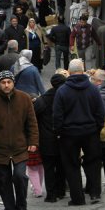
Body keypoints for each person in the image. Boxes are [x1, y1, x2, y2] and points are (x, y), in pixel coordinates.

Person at [53, 59, 105, 205]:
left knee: (71, 165)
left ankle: (77, 198)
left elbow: (57, 115)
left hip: (69, 134)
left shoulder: (62, 91)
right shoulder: (93, 89)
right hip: (90, 132)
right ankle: (95, 193)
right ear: (83, 71)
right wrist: (97, 128)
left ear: (68, 72)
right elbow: (100, 113)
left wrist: (59, 131)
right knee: (93, 162)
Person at [0, 70, 39, 210]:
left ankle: (22, 206)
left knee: (19, 176)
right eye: (3, 82)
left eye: (8, 82)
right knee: (3, 180)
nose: (6, 85)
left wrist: (33, 142)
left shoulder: (24, 99)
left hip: (20, 146)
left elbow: (32, 122)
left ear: (13, 83)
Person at [33, 74, 67, 202]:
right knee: (61, 165)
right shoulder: (65, 97)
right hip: (62, 137)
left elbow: (33, 117)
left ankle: (51, 195)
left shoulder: (43, 100)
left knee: (48, 167)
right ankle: (61, 190)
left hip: (46, 138)